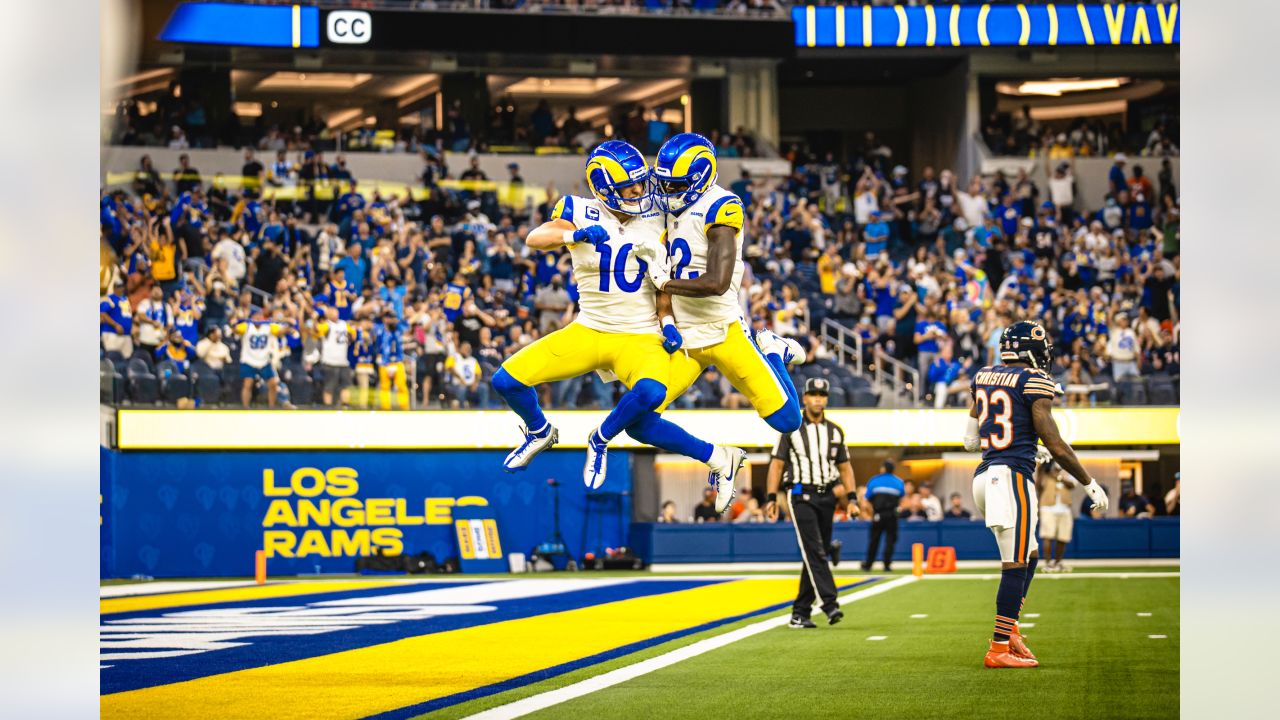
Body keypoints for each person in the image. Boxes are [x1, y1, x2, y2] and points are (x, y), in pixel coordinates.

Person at [489, 140, 745, 501]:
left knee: (652, 392)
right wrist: (572, 235)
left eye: (641, 183)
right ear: (604, 188)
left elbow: (665, 274)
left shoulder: (659, 213)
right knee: (506, 380)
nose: (640, 191)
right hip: (590, 327)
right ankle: (539, 431)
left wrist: (667, 320)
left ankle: (600, 438)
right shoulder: (579, 210)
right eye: (630, 187)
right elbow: (535, 238)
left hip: (640, 334)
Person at [624, 132, 805, 512]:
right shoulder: (666, 203)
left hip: (723, 330)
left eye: (676, 184)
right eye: (666, 183)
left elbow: (717, 282)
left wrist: (664, 282)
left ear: (701, 177)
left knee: (788, 421)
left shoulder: (723, 206)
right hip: (684, 340)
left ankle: (772, 350)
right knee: (638, 421)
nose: (668, 191)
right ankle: (717, 458)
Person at [964, 320, 1110, 668]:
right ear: (1032, 350)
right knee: (1015, 564)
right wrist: (1089, 482)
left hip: (985, 476)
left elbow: (971, 441)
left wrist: (1027, 448)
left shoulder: (983, 376)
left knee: (1030, 553)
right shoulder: (1034, 380)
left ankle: (1010, 627)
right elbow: (1056, 444)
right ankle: (998, 648)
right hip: (1010, 479)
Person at [763, 378, 856, 629]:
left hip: (827, 497)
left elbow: (845, 468)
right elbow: (777, 464)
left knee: (815, 552)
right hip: (801, 495)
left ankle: (800, 612)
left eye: (822, 395)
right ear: (804, 398)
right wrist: (771, 497)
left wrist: (852, 499)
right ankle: (830, 603)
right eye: (813, 394)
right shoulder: (791, 427)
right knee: (814, 549)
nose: (817, 399)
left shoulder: (835, 431)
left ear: (826, 399)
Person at [232, 314, 287, 408]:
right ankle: (246, 407)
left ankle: (271, 407)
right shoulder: (247, 326)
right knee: (247, 384)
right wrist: (233, 323)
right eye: (256, 317)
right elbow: (236, 330)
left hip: (264, 360)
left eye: (259, 317)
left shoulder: (269, 326)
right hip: (248, 359)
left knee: (273, 384)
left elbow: (281, 331)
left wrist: (285, 322)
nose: (258, 318)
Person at [861, 460, 905, 572]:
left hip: (878, 515)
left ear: (883, 469)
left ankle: (868, 565)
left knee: (874, 540)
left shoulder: (874, 481)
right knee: (890, 540)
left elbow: (866, 500)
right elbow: (902, 499)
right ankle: (887, 565)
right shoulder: (899, 482)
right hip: (892, 516)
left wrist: (871, 513)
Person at [1037, 462, 1075, 572]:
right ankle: (1048, 563)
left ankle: (1058, 562)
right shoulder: (1045, 472)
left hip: (1064, 508)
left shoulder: (1069, 470)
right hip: (1048, 507)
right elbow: (1039, 487)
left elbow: (1072, 485)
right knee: (1047, 536)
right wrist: (1041, 470)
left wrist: (1057, 476)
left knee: (1063, 537)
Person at [315, 306, 353, 407]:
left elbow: (353, 335)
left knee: (345, 386)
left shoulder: (344, 324)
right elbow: (317, 330)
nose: (335, 314)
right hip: (330, 361)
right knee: (329, 387)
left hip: (343, 361)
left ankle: (345, 405)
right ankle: (328, 407)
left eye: (335, 312)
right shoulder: (327, 325)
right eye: (332, 312)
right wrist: (315, 318)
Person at [100, 279, 134, 357]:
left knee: (127, 358)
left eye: (121, 286)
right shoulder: (109, 299)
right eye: (118, 287)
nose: (120, 288)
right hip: (112, 333)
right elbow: (103, 314)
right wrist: (115, 325)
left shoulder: (126, 299)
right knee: (112, 357)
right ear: (114, 288)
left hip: (126, 334)